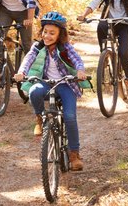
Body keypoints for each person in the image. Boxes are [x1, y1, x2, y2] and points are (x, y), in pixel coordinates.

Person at [13, 12, 89, 171]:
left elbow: (76, 59)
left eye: (52, 33)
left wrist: (80, 71)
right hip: (46, 83)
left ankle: (74, 153)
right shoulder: (38, 46)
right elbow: (28, 59)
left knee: (69, 116)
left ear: (60, 34)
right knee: (34, 91)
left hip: (66, 85)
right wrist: (22, 72)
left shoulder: (65, 47)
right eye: (45, 32)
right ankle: (40, 118)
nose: (47, 36)